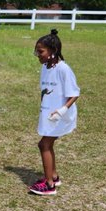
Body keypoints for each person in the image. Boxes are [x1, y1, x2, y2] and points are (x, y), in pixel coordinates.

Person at [29, 29, 80, 197]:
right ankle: (54, 176)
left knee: (43, 145)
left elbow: (74, 94)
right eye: (36, 50)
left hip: (60, 116)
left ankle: (49, 184)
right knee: (48, 144)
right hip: (49, 115)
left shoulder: (63, 69)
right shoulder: (45, 67)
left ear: (53, 51)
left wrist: (62, 110)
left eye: (41, 51)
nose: (38, 54)